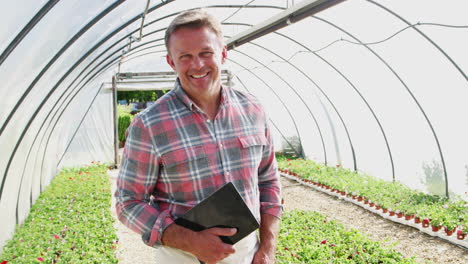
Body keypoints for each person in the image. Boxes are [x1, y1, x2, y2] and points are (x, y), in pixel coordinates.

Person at [115, 9, 282, 264]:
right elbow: (128, 202)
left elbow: (268, 181)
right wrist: (190, 241)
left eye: (206, 53)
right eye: (185, 56)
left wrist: (268, 247)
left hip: (248, 253)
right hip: (183, 256)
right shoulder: (149, 125)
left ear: (223, 53)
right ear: (171, 62)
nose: (198, 65)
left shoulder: (253, 109)